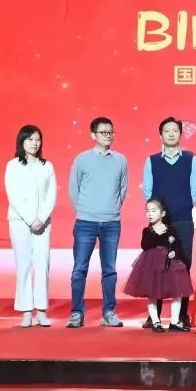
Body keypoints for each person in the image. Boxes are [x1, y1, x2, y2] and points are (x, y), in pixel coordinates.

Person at [68, 116, 128, 328]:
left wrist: (112, 209)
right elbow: (73, 190)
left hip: (111, 223)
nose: (108, 136)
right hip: (85, 222)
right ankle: (76, 313)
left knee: (109, 270)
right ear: (93, 135)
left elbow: (122, 189)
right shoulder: (82, 159)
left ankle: (109, 313)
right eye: (103, 132)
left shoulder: (120, 160)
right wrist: (84, 211)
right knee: (79, 269)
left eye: (111, 132)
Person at [141, 117, 196, 328]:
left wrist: (181, 206)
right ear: (161, 135)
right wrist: (158, 215)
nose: (171, 134)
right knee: (156, 265)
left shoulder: (191, 160)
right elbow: (148, 191)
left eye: (175, 130)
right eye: (167, 131)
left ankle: (182, 315)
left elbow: (195, 193)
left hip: (183, 220)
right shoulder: (152, 161)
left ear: (180, 134)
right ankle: (154, 316)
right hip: (160, 223)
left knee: (182, 265)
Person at [5, 125, 58, 328]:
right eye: (30, 139)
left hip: (43, 223)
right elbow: (13, 195)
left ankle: (41, 310)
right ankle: (26, 310)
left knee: (43, 264)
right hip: (19, 221)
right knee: (24, 264)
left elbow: (51, 195)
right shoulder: (13, 166)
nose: (34, 143)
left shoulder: (47, 166)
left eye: (37, 139)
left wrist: (41, 218)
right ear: (22, 141)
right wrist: (30, 219)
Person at [123, 197, 194, 332]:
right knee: (152, 293)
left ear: (162, 213)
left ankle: (174, 321)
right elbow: (145, 245)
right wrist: (154, 232)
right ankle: (155, 321)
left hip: (169, 265)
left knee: (177, 292)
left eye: (153, 211)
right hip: (152, 265)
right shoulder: (147, 231)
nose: (150, 214)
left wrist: (174, 252)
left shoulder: (171, 230)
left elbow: (177, 246)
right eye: (147, 211)